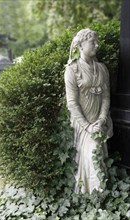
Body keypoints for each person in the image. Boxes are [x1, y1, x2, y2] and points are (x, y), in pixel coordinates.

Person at [64, 28, 113, 193]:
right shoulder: (72, 70)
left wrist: (102, 118)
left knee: (98, 158)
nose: (97, 45)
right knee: (92, 156)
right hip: (83, 124)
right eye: (93, 42)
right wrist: (88, 126)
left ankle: (99, 196)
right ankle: (94, 195)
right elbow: (72, 103)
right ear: (81, 45)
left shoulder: (102, 69)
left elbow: (106, 97)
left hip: (100, 121)